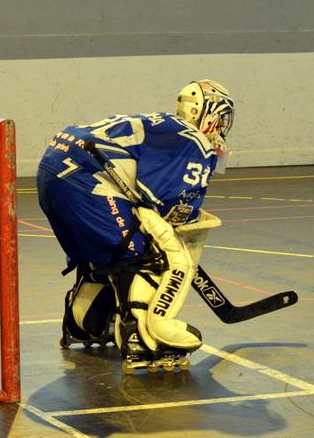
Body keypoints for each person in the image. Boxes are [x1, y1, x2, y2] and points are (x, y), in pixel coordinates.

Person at [36, 80, 235, 372]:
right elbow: (168, 204)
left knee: (107, 250)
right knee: (142, 254)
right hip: (83, 180)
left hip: (53, 167)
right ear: (207, 112)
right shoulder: (195, 142)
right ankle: (139, 339)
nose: (221, 125)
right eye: (221, 116)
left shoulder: (167, 125)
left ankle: (84, 323)